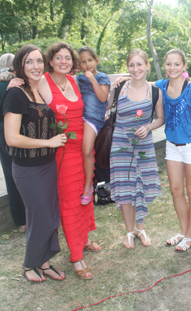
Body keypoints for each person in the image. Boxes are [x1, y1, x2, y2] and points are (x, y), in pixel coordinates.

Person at [9, 43, 99, 280]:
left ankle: (82, 240)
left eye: (67, 58)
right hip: (62, 152)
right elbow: (23, 89)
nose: (63, 61)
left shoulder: (75, 81)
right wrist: (12, 81)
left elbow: (100, 88)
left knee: (83, 197)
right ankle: (76, 258)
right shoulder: (42, 81)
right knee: (69, 202)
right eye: (58, 57)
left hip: (83, 150)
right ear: (50, 61)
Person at [1, 44, 67, 282]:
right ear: (20, 65)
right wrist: (49, 143)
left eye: (39, 61)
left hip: (48, 166)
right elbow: (11, 137)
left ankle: (45, 262)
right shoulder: (15, 93)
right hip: (28, 169)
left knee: (49, 214)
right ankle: (30, 265)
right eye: (29, 61)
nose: (36, 66)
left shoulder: (37, 90)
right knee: (41, 217)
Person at [109, 49, 163, 249]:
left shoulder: (155, 91)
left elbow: (160, 119)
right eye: (131, 65)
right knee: (125, 188)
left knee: (142, 186)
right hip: (120, 146)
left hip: (144, 146)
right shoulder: (120, 87)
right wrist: (111, 86)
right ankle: (129, 232)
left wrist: (148, 126)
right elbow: (105, 107)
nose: (135, 69)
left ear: (147, 66)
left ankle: (141, 228)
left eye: (140, 64)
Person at [156, 49, 191, 252]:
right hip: (172, 147)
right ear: (164, 66)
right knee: (176, 190)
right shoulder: (160, 86)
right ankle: (184, 232)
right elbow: (140, 86)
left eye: (177, 64)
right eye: (169, 64)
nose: (172, 68)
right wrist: (119, 83)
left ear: (184, 66)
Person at [0, 53, 26, 232]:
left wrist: (0, 114)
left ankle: (21, 223)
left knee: (11, 178)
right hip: (23, 132)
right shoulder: (22, 83)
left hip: (4, 134)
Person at [76, 47, 110, 205]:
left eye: (89, 60)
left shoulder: (102, 77)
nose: (87, 64)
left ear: (97, 60)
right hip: (78, 117)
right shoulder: (78, 78)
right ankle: (80, 182)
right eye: (83, 61)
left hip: (93, 118)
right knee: (78, 152)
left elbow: (103, 98)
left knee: (87, 149)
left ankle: (89, 186)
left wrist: (92, 79)